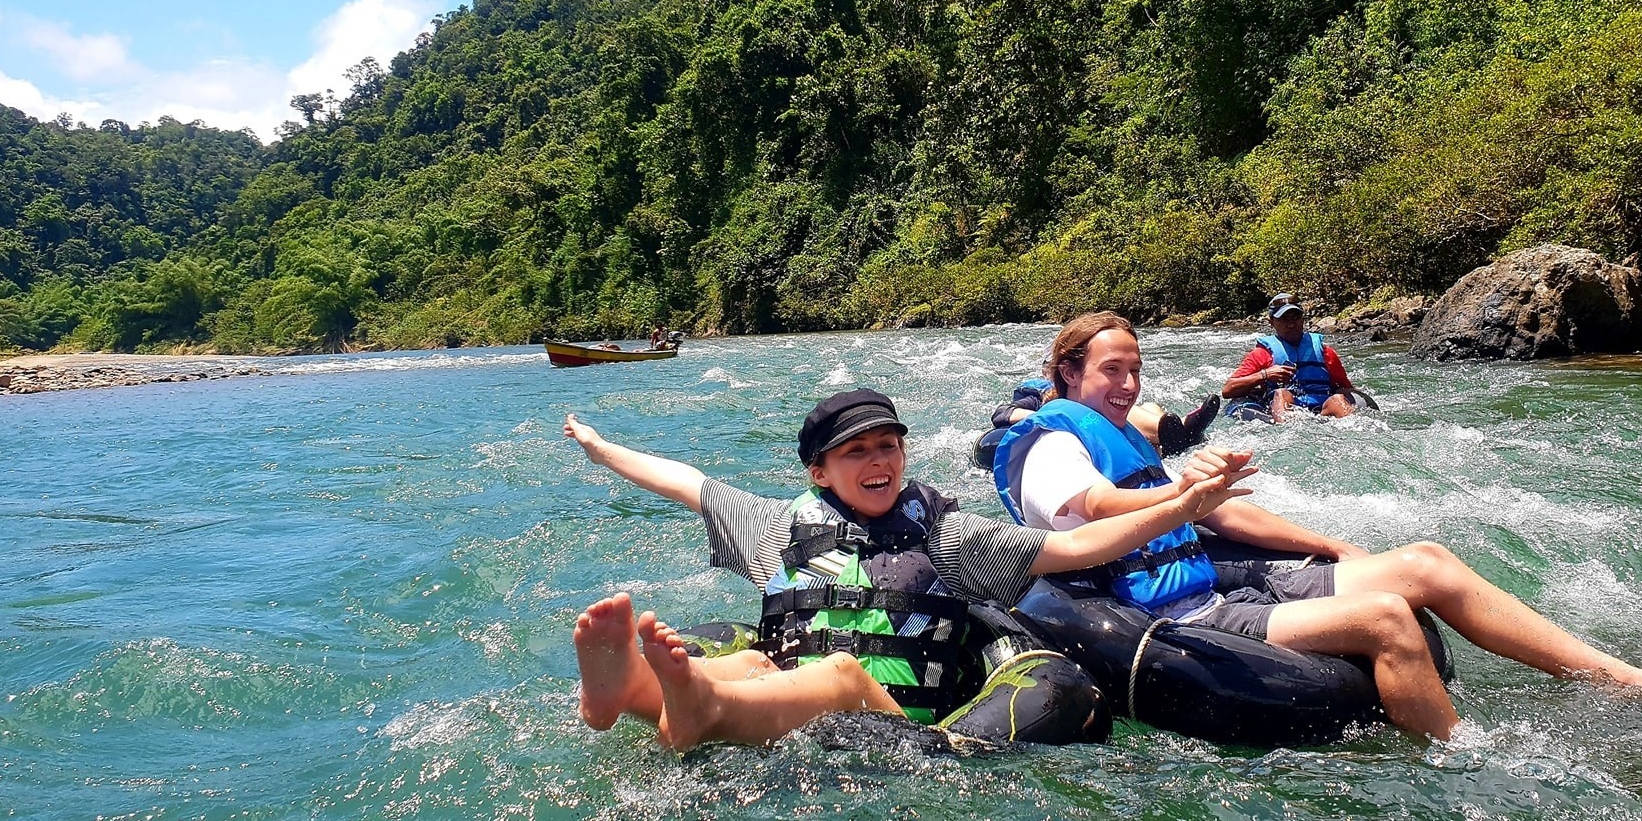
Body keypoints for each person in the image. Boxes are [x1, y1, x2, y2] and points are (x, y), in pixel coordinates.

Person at [992, 312, 1642, 741]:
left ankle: (1623, 678)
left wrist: (1323, 540)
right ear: (1066, 374)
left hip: (1212, 589)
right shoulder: (1052, 442)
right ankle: (1467, 762)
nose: (1128, 385)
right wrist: (1179, 501)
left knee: (1426, 563)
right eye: (1110, 371)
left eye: (1135, 370)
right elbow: (1089, 509)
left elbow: (1221, 513)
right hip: (1167, 617)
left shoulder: (1132, 438)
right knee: (1386, 618)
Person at [565, 389, 1249, 752]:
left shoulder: (947, 536)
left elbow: (1078, 548)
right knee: (752, 666)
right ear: (818, 472)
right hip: (794, 718)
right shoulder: (775, 528)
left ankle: (689, 706)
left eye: (888, 446)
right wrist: (602, 451)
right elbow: (686, 481)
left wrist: (1181, 504)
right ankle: (632, 693)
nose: (878, 462)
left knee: (837, 675)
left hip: (891, 729)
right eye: (856, 451)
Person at [972, 375, 1220, 469]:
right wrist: (1063, 415)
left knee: (1150, 407)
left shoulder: (1093, 393)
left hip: (1113, 436)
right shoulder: (1036, 397)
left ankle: (1176, 432)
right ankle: (1176, 435)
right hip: (1078, 430)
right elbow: (1002, 415)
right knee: (1107, 412)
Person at [1221, 294, 1358, 421]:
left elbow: (1345, 387)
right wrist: (1265, 375)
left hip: (1323, 408)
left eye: (1296, 317)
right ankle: (1287, 432)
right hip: (1287, 408)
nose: (1291, 324)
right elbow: (1228, 390)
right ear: (1272, 322)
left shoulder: (1325, 352)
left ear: (1303, 319)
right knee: (1281, 394)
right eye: (1284, 319)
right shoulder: (1262, 354)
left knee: (1339, 399)